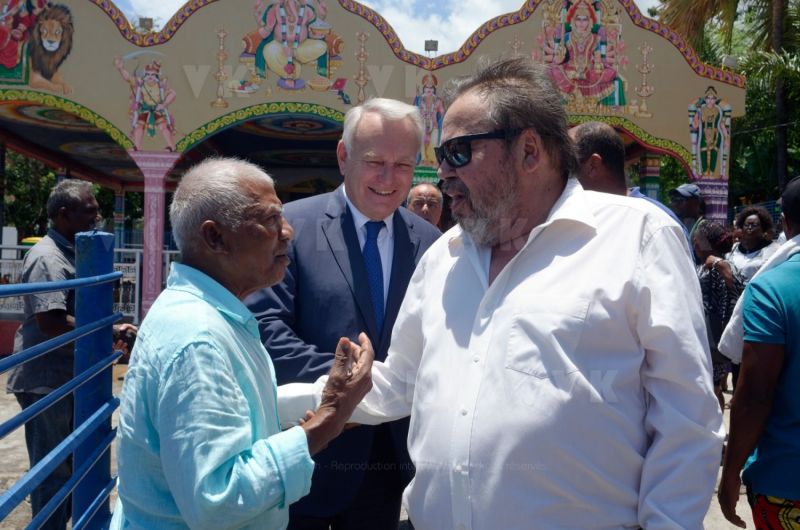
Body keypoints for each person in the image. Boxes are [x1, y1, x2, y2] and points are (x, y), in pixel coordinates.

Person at [279, 58, 723, 529]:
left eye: (458, 152)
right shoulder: (445, 255)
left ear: (529, 151)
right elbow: (402, 381)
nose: (442, 172)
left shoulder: (636, 237)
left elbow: (686, 418)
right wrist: (269, 401)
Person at [111, 158, 374, 530]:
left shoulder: (211, 316)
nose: (287, 232)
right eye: (269, 220)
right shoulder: (197, 339)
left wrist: (305, 423)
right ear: (215, 237)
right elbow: (218, 500)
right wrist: (328, 419)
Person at [246, 99, 441, 530]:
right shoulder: (292, 227)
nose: (389, 179)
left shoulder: (434, 243)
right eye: (374, 162)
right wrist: (351, 386)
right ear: (343, 157)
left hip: (387, 460)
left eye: (403, 165)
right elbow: (265, 329)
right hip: (304, 449)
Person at [5, 179, 134, 530]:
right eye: (89, 210)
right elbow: (51, 322)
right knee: (54, 471)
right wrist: (107, 330)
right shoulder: (48, 257)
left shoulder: (73, 251)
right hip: (48, 381)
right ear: (64, 215)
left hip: (69, 375)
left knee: (77, 463)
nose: (97, 216)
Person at [718, 176, 800, 528]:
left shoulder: (773, 288)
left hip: (787, 481)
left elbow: (753, 397)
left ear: (783, 224)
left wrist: (731, 471)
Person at [570, 121, 690, 244]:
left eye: (565, 165)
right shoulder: (577, 219)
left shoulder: (656, 225)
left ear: (593, 166)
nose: (557, 174)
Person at [692, 221, 742, 410]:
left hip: (713, 340)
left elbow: (741, 290)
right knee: (707, 388)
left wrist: (721, 265)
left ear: (708, 242)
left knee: (712, 390)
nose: (695, 243)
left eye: (699, 239)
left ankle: (716, 432)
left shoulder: (723, 264)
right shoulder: (700, 265)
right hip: (700, 338)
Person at [726, 206, 781, 284]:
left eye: (754, 225)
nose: (749, 228)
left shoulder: (774, 249)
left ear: (763, 228)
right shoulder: (734, 248)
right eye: (746, 225)